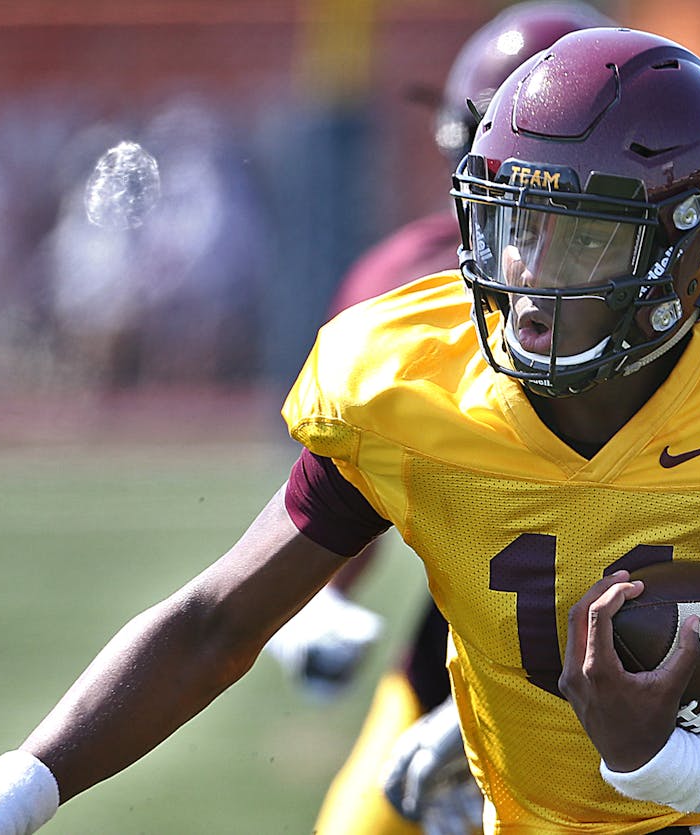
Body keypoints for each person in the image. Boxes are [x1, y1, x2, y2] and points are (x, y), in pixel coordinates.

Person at [0, 28, 700, 835]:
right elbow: (213, 624)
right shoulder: (411, 382)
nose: (531, 279)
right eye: (514, 224)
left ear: (694, 245)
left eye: (583, 238)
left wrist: (664, 764)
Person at [259, 4, 617, 834]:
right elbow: (354, 473)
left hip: (673, 618)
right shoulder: (408, 292)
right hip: (489, 619)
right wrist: (322, 596)